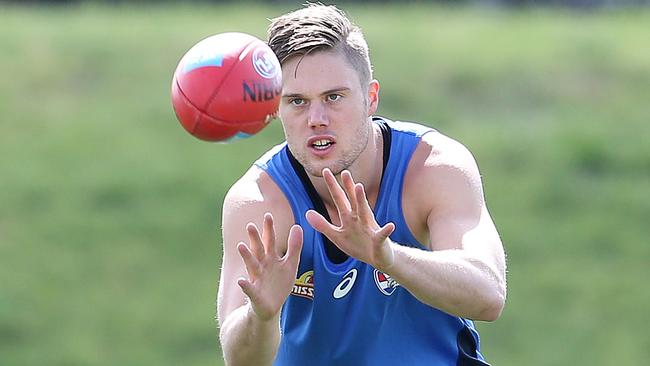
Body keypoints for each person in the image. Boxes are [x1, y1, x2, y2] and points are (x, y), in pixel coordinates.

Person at [216, 4, 507, 365]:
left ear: (370, 97)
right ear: (277, 108)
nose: (317, 119)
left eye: (333, 97)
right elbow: (240, 360)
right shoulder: (258, 202)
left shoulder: (433, 167)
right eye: (297, 102)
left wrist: (389, 257)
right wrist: (260, 316)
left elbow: (488, 294)